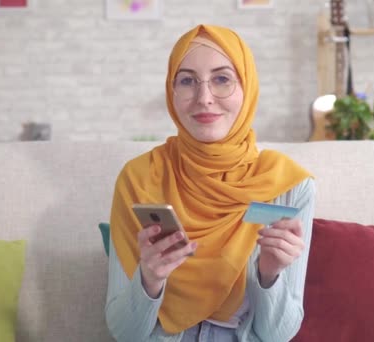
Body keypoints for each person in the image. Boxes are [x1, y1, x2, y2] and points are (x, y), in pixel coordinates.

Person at [105, 24, 315, 342]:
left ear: (248, 87)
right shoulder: (139, 178)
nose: (204, 98)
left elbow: (277, 335)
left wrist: (270, 275)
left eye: (222, 79)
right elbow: (124, 334)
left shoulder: (288, 186)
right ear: (171, 91)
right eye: (187, 81)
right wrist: (149, 280)